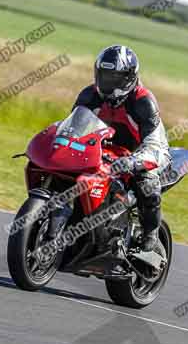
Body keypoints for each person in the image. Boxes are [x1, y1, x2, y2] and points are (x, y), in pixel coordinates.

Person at [73, 45, 171, 259]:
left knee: (147, 183)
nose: (108, 82)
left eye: (114, 77)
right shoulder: (90, 95)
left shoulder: (143, 102)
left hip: (145, 152)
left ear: (128, 78)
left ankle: (150, 237)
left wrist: (135, 162)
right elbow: (73, 127)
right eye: (104, 75)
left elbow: (154, 144)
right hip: (105, 150)